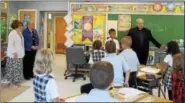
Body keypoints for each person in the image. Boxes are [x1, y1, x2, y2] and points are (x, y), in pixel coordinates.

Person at [5, 20, 24, 88]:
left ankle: (17, 82)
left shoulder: (20, 33)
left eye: (21, 25)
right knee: (13, 69)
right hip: (14, 55)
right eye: (20, 25)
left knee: (18, 68)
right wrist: (14, 53)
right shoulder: (12, 33)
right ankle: (12, 83)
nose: (22, 26)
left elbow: (20, 44)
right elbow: (10, 45)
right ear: (16, 26)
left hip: (20, 54)